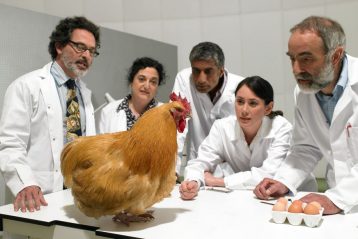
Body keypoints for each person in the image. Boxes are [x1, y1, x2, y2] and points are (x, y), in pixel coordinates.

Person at [254, 16, 358, 215]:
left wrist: (337, 198)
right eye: (292, 58)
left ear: (335, 56)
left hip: (340, 199)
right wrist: (284, 181)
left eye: (306, 59)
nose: (296, 69)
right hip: (338, 202)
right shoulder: (303, 93)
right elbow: (306, 148)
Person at [0, 16, 100, 213]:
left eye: (91, 51)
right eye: (80, 47)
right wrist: (26, 183)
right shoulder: (27, 86)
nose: (86, 55)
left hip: (76, 198)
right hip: (35, 196)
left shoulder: (85, 95)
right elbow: (10, 144)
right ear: (59, 46)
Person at [179, 76, 293, 200]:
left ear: (268, 108)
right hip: (247, 197)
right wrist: (193, 182)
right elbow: (200, 162)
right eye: (240, 101)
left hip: (290, 196)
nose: (244, 110)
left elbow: (269, 176)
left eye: (253, 103)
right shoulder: (222, 127)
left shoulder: (282, 128)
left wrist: (219, 181)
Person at [172, 42, 244, 174]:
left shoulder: (241, 87)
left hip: (234, 169)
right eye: (196, 71)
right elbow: (177, 126)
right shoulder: (184, 79)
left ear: (221, 71)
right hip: (197, 167)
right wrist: (172, 170)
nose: (201, 79)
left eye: (208, 71)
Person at [98, 57, 166, 133]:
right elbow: (102, 144)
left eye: (153, 82)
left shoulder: (166, 114)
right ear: (131, 82)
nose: (147, 86)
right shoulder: (108, 111)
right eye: (141, 79)